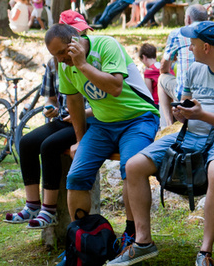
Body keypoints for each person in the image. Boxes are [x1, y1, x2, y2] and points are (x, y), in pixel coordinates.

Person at [106, 21, 214, 266]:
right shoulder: (195, 69)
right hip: (190, 134)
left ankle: (205, 252)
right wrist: (182, 114)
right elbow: (187, 108)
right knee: (133, 165)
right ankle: (143, 241)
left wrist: (202, 115)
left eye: (193, 43)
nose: (189, 47)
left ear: (206, 47)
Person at [43, 23, 159, 230]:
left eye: (62, 52)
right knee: (76, 176)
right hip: (103, 124)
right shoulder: (64, 65)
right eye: (56, 56)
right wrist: (79, 141)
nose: (60, 60)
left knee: (130, 170)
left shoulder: (106, 45)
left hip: (138, 118)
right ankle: (81, 242)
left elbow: (115, 87)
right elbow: (75, 102)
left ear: (75, 41)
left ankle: (133, 235)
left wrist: (82, 65)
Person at [4, 11, 92, 229]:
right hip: (63, 119)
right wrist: (49, 109)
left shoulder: (91, 57)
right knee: (26, 142)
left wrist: (80, 115)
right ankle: (32, 204)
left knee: (49, 146)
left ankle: (49, 210)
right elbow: (50, 98)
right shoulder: (55, 63)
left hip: (86, 121)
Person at [157, 5, 209, 128]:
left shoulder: (178, 33)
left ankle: (167, 126)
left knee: (161, 79)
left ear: (188, 19)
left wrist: (165, 70)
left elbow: (164, 66)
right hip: (209, 92)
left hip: (187, 95)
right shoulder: (213, 33)